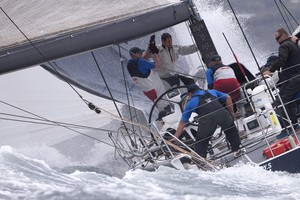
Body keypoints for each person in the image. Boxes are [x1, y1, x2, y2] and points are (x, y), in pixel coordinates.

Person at [174, 84, 242, 158]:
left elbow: (183, 122)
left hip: (207, 120)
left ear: (190, 94)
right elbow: (228, 97)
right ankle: (237, 149)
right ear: (199, 89)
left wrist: (176, 138)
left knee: (201, 141)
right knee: (231, 130)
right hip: (222, 114)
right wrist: (231, 113)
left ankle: (201, 160)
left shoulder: (192, 102)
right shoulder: (212, 92)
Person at [263, 28, 300, 139]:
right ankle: (294, 124)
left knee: (280, 102)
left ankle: (287, 128)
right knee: (290, 101)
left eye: (278, 38)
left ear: (283, 35)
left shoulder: (284, 46)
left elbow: (281, 60)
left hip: (292, 78)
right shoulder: (294, 45)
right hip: (296, 76)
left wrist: (270, 70)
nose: (277, 41)